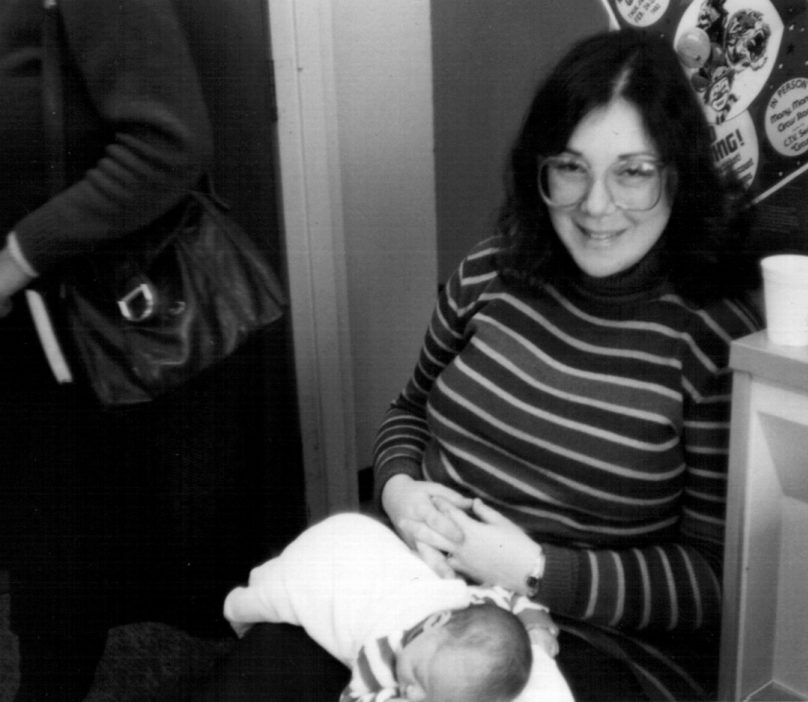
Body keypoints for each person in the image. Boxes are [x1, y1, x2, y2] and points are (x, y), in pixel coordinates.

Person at [191, 27, 761, 702]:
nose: (597, 204)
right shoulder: (491, 271)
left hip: (591, 636)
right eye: (571, 168)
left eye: (633, 172)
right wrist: (398, 491)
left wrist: (540, 572)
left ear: (678, 175)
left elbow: (716, 579)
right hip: (411, 589)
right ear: (540, 171)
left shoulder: (714, 337)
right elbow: (408, 411)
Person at [0, 1, 283, 698]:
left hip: (101, 330)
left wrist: (14, 256)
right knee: (49, 562)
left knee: (75, 567)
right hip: (29, 332)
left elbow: (168, 146)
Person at [222, 512, 554, 702]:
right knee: (278, 595)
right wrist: (534, 620)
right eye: (420, 678)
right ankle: (237, 607)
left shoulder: (470, 612)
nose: (413, 692)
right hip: (336, 566)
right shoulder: (382, 653)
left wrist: (533, 624)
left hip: (355, 537)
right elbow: (356, 697)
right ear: (435, 621)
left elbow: (506, 601)